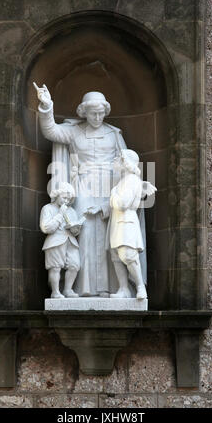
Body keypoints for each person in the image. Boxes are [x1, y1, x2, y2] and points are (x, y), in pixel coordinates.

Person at [34, 85, 127, 297]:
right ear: (83, 112)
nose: (97, 117)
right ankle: (81, 288)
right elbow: (51, 131)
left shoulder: (114, 134)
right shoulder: (74, 131)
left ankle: (110, 288)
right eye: (93, 113)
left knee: (109, 235)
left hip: (109, 187)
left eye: (101, 113)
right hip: (83, 186)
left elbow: (127, 161)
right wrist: (47, 106)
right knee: (82, 232)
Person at [107, 149, 157, 299]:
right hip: (118, 221)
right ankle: (123, 289)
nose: (116, 161)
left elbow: (122, 204)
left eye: (119, 159)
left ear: (125, 163)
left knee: (128, 255)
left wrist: (113, 194)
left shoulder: (131, 180)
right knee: (116, 255)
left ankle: (140, 287)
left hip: (126, 221)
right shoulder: (124, 181)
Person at [40, 182, 83, 299]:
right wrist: (60, 215)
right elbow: (46, 228)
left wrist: (75, 229)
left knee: (75, 265)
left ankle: (68, 289)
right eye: (64, 198)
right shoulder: (47, 208)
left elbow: (75, 230)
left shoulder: (72, 211)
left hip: (70, 241)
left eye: (69, 199)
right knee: (55, 267)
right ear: (57, 195)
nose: (66, 201)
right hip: (55, 241)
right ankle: (55, 291)